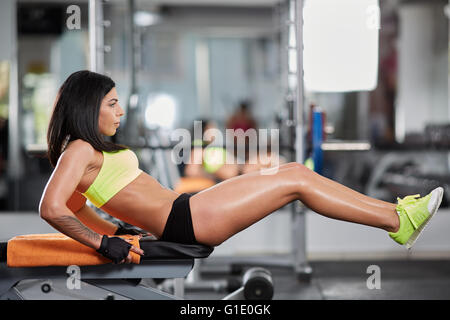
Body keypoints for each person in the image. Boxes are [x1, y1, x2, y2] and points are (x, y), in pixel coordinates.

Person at [39, 70, 444, 265]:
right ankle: (397, 219)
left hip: (186, 210)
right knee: (297, 178)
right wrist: (102, 244)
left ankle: (397, 217)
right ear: (87, 106)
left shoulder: (83, 150)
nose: (120, 110)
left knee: (294, 174)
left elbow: (75, 206)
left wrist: (119, 231)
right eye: (112, 103)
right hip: (187, 219)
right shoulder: (77, 150)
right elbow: (52, 207)